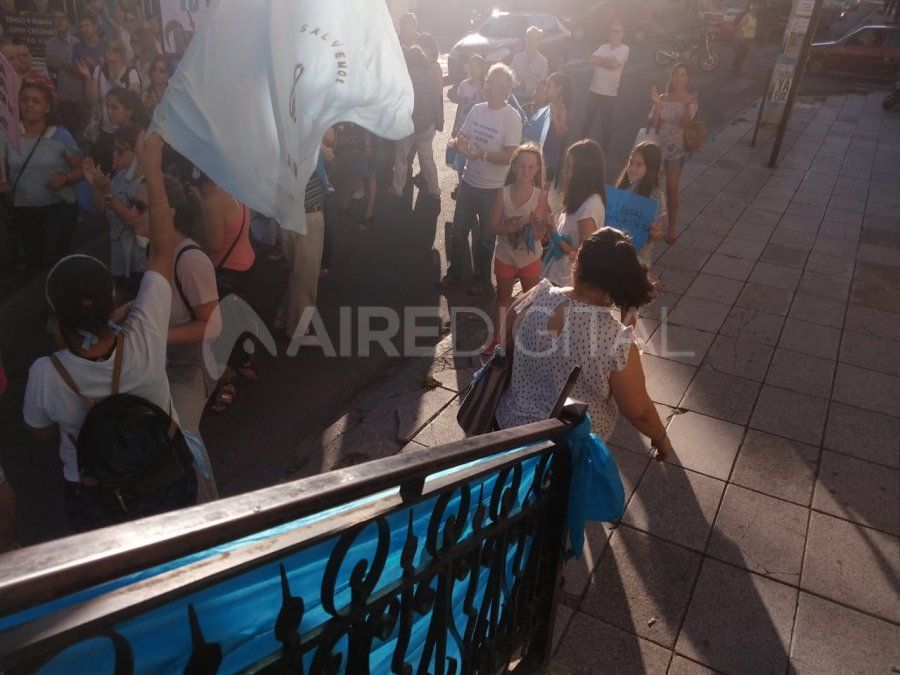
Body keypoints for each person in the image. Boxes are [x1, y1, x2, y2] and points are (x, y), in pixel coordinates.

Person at [23, 132, 197, 532]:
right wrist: (152, 170)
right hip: (166, 476)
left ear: (55, 316)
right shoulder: (146, 330)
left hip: (98, 495)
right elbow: (163, 248)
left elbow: (39, 432)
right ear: (113, 300)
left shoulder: (45, 374)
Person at [496, 228, 673, 459]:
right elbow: (639, 411)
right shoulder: (615, 340)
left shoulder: (536, 296)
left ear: (576, 263)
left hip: (508, 431)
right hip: (566, 453)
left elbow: (504, 344)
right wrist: (661, 439)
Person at [439, 63, 522, 296]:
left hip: (493, 190)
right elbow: (460, 138)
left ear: (504, 90)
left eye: (490, 83)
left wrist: (482, 154)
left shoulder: (511, 117)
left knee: (486, 239)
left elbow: (511, 156)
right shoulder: (477, 110)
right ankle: (454, 272)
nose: (486, 86)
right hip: (469, 182)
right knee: (458, 231)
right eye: (487, 81)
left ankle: (481, 279)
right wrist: (460, 144)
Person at [162, 176, 221, 501]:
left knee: (184, 439)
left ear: (167, 212)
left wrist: (155, 334)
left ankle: (210, 517)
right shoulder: (159, 250)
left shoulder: (190, 259)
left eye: (141, 206)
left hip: (192, 368)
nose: (132, 212)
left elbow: (212, 325)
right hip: (167, 364)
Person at [1, 82, 82, 271]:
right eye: (25, 100)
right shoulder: (9, 135)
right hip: (24, 210)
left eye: (36, 101)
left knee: (53, 260)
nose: (29, 104)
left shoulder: (61, 135)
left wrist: (65, 178)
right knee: (34, 261)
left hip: (58, 209)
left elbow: (82, 169)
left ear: (47, 107)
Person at [485, 143, 550, 355]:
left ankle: (528, 338)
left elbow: (540, 235)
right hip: (505, 253)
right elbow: (493, 226)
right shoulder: (502, 193)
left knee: (530, 298)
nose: (526, 171)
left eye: (531, 167)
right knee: (502, 297)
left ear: (538, 169)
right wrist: (511, 227)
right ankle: (498, 339)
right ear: (513, 167)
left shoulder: (539, 195)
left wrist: (536, 227)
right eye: (522, 166)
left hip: (530, 256)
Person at [83, 124, 146, 301]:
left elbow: (135, 222)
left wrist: (108, 193)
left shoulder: (146, 184)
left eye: (121, 151)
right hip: (119, 259)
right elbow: (102, 208)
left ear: (138, 154)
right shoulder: (120, 177)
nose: (114, 155)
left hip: (139, 264)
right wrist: (95, 186)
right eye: (114, 150)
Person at [614, 141, 667, 325]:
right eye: (631, 162)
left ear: (650, 168)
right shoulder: (621, 189)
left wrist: (656, 232)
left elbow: (658, 234)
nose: (632, 168)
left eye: (639, 164)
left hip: (636, 260)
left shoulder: (655, 196)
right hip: (615, 255)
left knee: (627, 310)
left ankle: (628, 347)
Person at [541, 140, 606, 288]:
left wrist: (555, 235)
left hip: (565, 282)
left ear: (583, 171)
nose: (565, 171)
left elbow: (584, 257)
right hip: (557, 275)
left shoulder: (590, 206)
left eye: (570, 167)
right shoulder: (579, 197)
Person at [276, 171, 327, 348]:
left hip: (286, 213)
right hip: (307, 214)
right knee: (305, 275)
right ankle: (298, 330)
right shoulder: (309, 145)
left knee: (298, 272)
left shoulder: (278, 143)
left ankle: (285, 318)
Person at [651, 63, 698, 243]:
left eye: (683, 75)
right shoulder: (663, 97)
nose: (679, 78)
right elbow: (654, 125)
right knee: (652, 188)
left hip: (676, 150)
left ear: (688, 78)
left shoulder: (690, 99)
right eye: (676, 74)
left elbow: (686, 124)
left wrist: (686, 105)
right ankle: (652, 224)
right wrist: (656, 105)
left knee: (672, 190)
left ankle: (672, 228)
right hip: (657, 148)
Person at [79, 36, 141, 171]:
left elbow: (133, 104)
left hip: (125, 135)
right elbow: (92, 100)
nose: (111, 51)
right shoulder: (99, 70)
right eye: (108, 48)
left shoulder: (131, 72)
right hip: (105, 133)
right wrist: (88, 77)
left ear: (122, 53)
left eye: (116, 49)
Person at [390, 45, 441, 200]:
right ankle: (434, 190)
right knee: (427, 159)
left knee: (401, 157)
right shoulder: (429, 75)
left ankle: (398, 188)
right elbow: (436, 98)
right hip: (426, 125)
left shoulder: (404, 77)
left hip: (408, 126)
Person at [582, 21, 629, 155]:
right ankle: (579, 145)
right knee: (587, 120)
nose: (613, 34)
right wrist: (607, 61)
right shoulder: (603, 47)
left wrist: (601, 60)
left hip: (609, 94)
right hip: (594, 90)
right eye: (611, 31)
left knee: (606, 124)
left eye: (617, 31)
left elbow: (614, 65)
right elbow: (590, 59)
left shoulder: (624, 49)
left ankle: (605, 151)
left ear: (622, 34)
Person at [447, 54, 485, 200]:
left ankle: (472, 185)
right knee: (460, 155)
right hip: (463, 125)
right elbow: (460, 106)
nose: (474, 70)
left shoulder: (485, 87)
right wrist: (455, 125)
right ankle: (460, 183)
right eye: (472, 67)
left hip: (477, 128)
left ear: (482, 69)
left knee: (473, 156)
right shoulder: (463, 85)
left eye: (477, 67)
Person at [332, 121, 377, 231]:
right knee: (349, 172)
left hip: (365, 132)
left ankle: (368, 215)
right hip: (347, 129)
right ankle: (345, 208)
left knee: (369, 176)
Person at [45, 11, 84, 136]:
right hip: (60, 96)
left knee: (78, 133)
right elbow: (50, 66)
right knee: (63, 132)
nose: (59, 21)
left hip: (78, 96)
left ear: (67, 21)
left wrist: (61, 65)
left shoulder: (77, 43)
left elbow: (79, 70)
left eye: (62, 18)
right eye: (56, 19)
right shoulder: (50, 44)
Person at [543, 71, 572, 191]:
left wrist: (554, 116)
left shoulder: (561, 108)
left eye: (549, 86)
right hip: (541, 151)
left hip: (550, 156)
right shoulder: (548, 103)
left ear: (559, 88)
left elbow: (561, 133)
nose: (546, 89)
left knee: (543, 194)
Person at [511, 25, 549, 103]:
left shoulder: (543, 62)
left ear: (539, 41)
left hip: (533, 101)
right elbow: (510, 78)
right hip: (515, 100)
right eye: (529, 37)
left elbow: (543, 85)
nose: (530, 40)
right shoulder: (517, 58)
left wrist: (526, 86)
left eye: (534, 38)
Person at [732, 3, 758, 76]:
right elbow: (740, 27)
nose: (756, 12)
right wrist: (740, 37)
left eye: (756, 10)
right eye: (754, 10)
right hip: (743, 39)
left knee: (743, 55)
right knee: (740, 54)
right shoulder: (747, 17)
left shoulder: (754, 18)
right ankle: (735, 69)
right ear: (751, 10)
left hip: (748, 39)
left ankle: (736, 68)